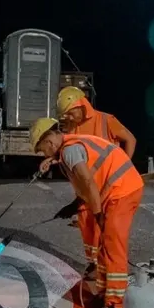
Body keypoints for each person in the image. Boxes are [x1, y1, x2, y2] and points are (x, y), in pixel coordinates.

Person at [30, 117, 144, 308]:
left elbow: (89, 183)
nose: (43, 154)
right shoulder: (68, 147)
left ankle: (116, 307)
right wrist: (75, 205)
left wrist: (98, 213)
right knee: (103, 245)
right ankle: (104, 295)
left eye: (41, 149)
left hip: (123, 190)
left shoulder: (69, 151)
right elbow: (86, 183)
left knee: (112, 246)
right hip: (114, 190)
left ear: (49, 142)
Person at [40, 86, 137, 271]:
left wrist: (124, 168)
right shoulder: (74, 128)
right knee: (87, 222)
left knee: (108, 228)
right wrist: (51, 159)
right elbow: (71, 151)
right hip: (88, 187)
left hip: (109, 185)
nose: (66, 118)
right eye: (64, 115)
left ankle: (110, 267)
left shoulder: (106, 120)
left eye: (69, 113)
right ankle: (94, 263)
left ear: (81, 105)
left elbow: (130, 140)